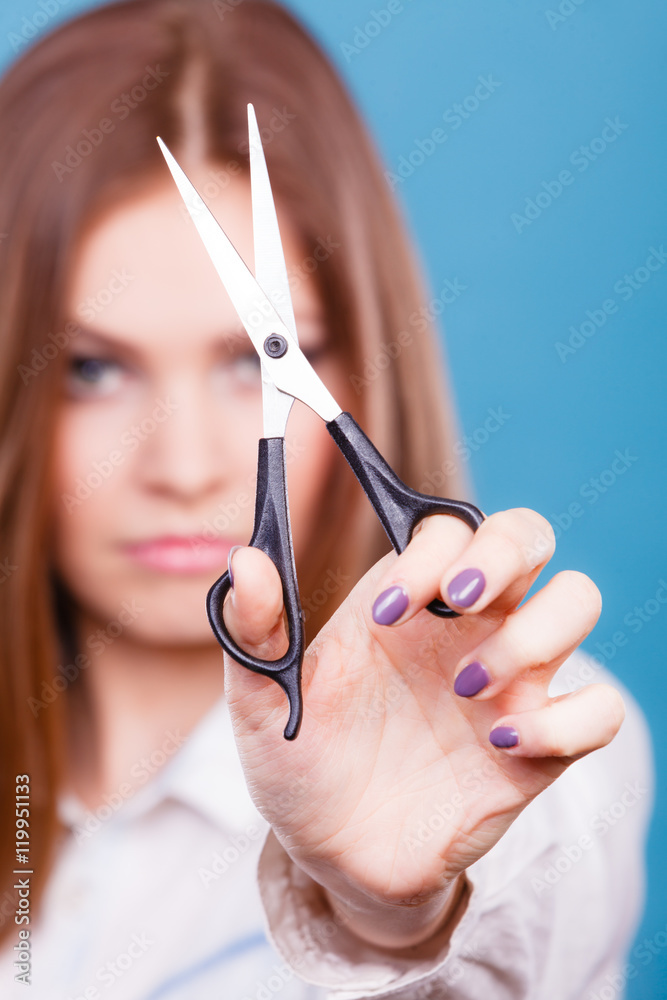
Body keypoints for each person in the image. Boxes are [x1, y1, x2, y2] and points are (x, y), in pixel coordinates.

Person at [0, 1, 653, 997]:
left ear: (361, 359)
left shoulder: (530, 732)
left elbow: (527, 908)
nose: (181, 465)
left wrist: (395, 915)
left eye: (244, 359)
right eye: (91, 367)